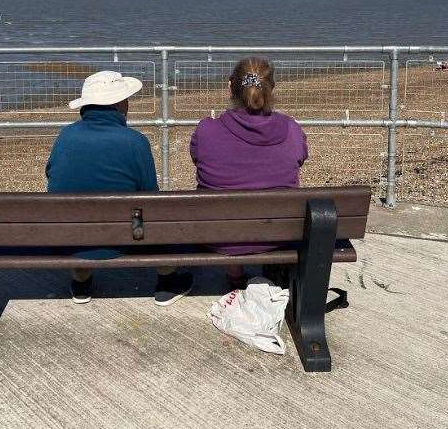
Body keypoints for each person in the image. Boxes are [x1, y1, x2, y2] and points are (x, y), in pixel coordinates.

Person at [46, 70, 193, 306]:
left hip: (72, 237)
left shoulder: (65, 137)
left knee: (81, 210)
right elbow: (149, 197)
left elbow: (52, 180)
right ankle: (167, 279)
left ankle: (81, 279)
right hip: (130, 236)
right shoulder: (134, 141)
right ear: (120, 104)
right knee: (156, 213)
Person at [189, 57, 308, 289]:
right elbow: (300, 158)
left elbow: (197, 159)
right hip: (279, 234)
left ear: (229, 87)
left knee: (229, 210)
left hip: (220, 236)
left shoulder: (206, 131)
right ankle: (270, 271)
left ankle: (235, 276)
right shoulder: (291, 129)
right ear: (271, 89)